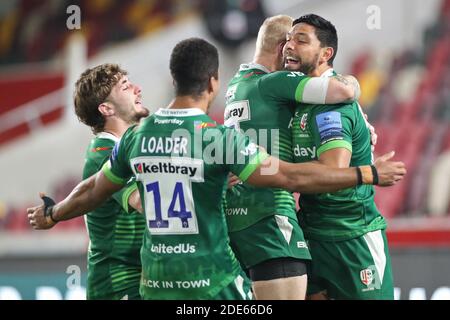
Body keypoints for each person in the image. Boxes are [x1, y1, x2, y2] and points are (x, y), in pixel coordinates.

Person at [27, 37, 405, 300]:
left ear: (173, 80)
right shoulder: (216, 139)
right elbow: (289, 176)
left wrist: (53, 213)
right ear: (212, 82)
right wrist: (367, 173)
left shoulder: (136, 138)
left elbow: (93, 189)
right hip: (211, 285)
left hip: (155, 286)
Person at [223, 15, 362, 300]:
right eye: (293, 41)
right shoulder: (275, 83)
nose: (293, 52)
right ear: (282, 46)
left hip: (237, 215)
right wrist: (355, 92)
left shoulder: (236, 85)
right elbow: (342, 90)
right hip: (271, 214)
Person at [285, 14, 397, 299]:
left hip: (351, 238)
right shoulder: (302, 98)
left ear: (326, 53)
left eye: (301, 40)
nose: (289, 46)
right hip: (312, 234)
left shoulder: (332, 108)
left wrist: (269, 172)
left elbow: (332, 169)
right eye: (288, 39)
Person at [39, 63, 149, 300]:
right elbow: (144, 202)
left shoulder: (132, 148)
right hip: (120, 287)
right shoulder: (104, 152)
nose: (138, 89)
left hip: (141, 282)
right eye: (126, 87)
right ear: (106, 108)